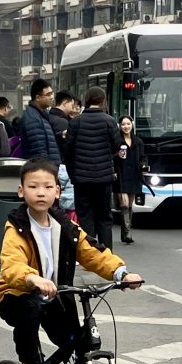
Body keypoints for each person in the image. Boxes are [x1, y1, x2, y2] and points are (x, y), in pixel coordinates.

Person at [0, 157, 142, 364]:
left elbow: (92, 253)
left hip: (58, 296)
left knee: (82, 343)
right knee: (30, 306)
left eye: (48, 186)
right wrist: (32, 278)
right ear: (21, 191)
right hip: (16, 293)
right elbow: (11, 263)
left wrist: (120, 273)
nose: (41, 192)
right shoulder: (17, 226)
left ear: (57, 191)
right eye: (33, 186)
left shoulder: (65, 225)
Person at [64, 87, 119, 249]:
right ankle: (106, 253)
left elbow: (67, 152)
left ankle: (90, 254)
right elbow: (117, 147)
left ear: (86, 100)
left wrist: (73, 175)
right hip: (104, 178)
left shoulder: (75, 122)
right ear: (103, 101)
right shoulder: (110, 121)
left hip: (82, 180)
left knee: (85, 216)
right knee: (104, 217)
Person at [114, 115, 146, 244]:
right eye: (123, 124)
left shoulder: (138, 141)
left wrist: (143, 164)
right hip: (120, 174)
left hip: (134, 175)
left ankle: (125, 232)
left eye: (128, 124)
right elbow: (109, 156)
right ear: (120, 126)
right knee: (124, 204)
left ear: (132, 125)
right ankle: (127, 232)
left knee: (130, 204)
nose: (126, 127)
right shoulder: (116, 141)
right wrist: (117, 155)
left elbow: (143, 157)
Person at [20, 78, 61, 163]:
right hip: (42, 169)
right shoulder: (32, 118)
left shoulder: (41, 114)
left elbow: (45, 139)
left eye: (52, 93)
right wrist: (46, 169)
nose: (52, 97)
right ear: (38, 97)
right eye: (48, 94)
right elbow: (38, 150)